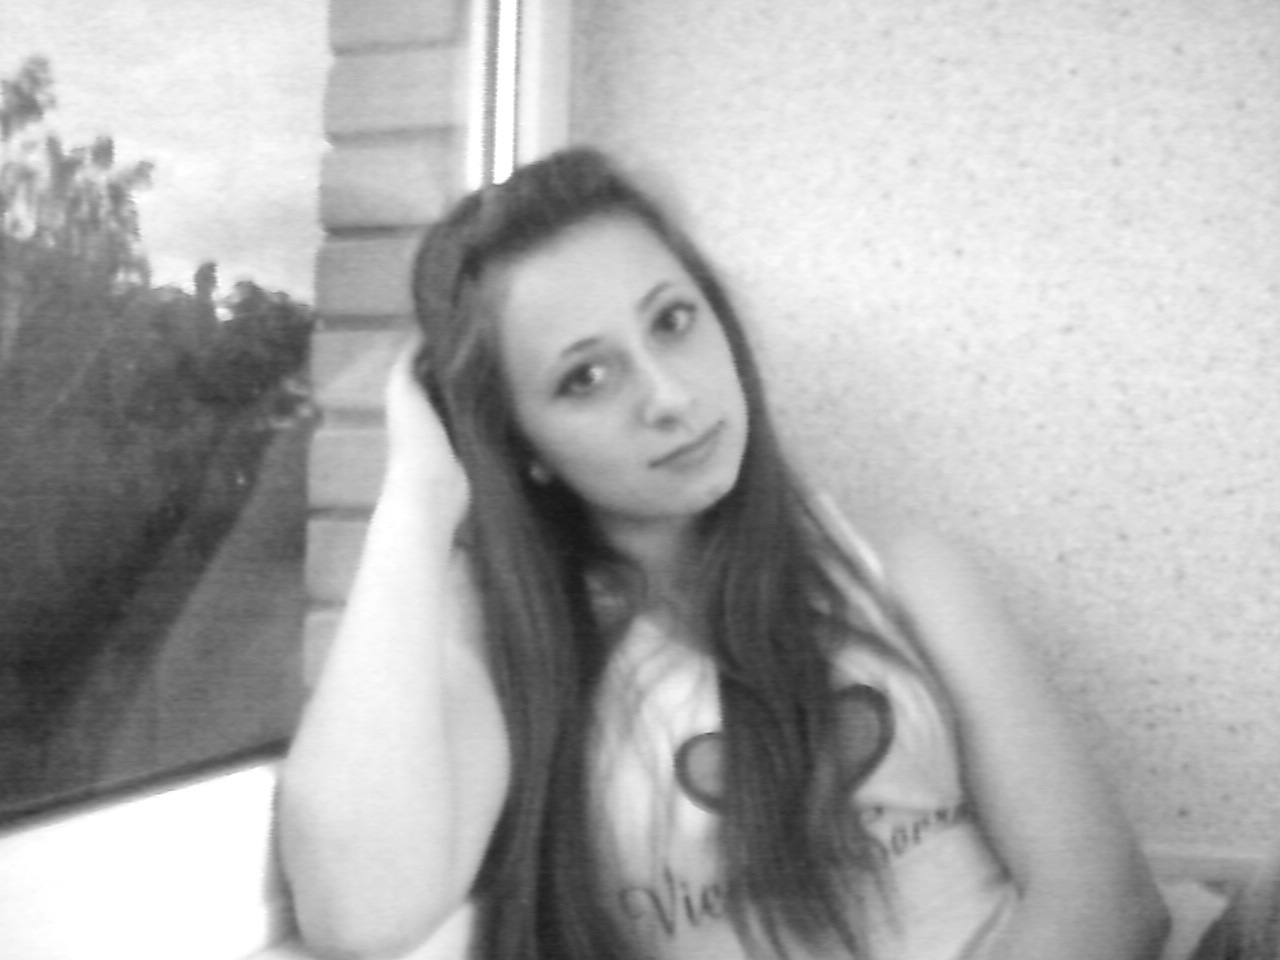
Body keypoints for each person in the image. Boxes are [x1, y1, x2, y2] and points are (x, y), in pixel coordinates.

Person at [278, 147, 1220, 960]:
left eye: (673, 321)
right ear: (519, 440)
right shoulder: (510, 654)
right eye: (586, 376)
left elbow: (1107, 904)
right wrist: (419, 496)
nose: (670, 397)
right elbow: (358, 914)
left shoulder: (897, 569)